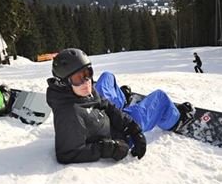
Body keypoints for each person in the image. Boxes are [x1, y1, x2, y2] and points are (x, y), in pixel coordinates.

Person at [46, 48, 193, 164]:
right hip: (119, 136)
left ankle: (121, 100)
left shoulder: (83, 91)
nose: (86, 82)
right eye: (78, 78)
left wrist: (131, 126)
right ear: (64, 83)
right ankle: (175, 120)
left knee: (107, 76)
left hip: (112, 120)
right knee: (160, 97)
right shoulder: (70, 114)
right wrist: (111, 148)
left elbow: (106, 105)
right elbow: (67, 154)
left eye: (88, 73)